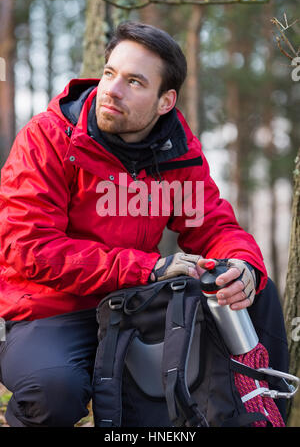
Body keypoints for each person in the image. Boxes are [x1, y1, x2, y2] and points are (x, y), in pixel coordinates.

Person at [0, 21, 285, 427]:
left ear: (165, 101)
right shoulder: (48, 138)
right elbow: (28, 249)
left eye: (134, 82)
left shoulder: (177, 154)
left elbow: (214, 228)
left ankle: (265, 413)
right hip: (50, 311)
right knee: (52, 393)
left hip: (135, 310)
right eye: (110, 73)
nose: (112, 90)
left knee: (255, 293)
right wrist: (147, 268)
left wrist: (242, 266)